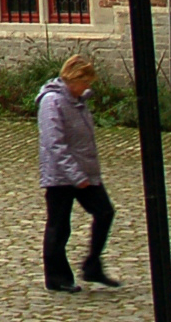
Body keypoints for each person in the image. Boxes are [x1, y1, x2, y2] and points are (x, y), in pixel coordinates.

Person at [38, 54, 118, 293]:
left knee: (105, 212)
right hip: (61, 176)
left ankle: (92, 264)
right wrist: (75, 175)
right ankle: (57, 277)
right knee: (59, 226)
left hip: (84, 172)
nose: (88, 87)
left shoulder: (78, 101)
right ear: (74, 79)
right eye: (85, 82)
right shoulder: (52, 101)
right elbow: (55, 142)